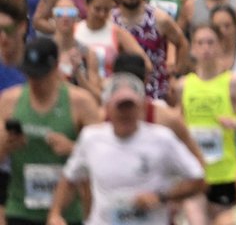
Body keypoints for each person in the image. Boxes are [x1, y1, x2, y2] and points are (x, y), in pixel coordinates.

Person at [47, 74, 205, 225]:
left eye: (131, 106)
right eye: (120, 107)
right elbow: (69, 179)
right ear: (108, 108)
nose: (126, 113)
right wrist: (55, 213)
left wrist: (161, 196)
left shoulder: (162, 139)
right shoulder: (91, 138)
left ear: (142, 107)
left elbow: (199, 180)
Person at [0, 37, 101, 225]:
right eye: (30, 74)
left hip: (66, 214)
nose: (35, 82)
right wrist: (5, 146)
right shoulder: (9, 100)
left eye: (40, 75)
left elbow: (104, 156)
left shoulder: (81, 102)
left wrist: (73, 148)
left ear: (55, 67)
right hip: (20, 210)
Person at [178, 23, 236, 214]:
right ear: (192, 48)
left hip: (224, 171)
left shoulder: (233, 82)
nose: (206, 48)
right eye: (200, 43)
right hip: (195, 172)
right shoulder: (184, 85)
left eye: (211, 43)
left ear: (219, 46)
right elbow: (178, 124)